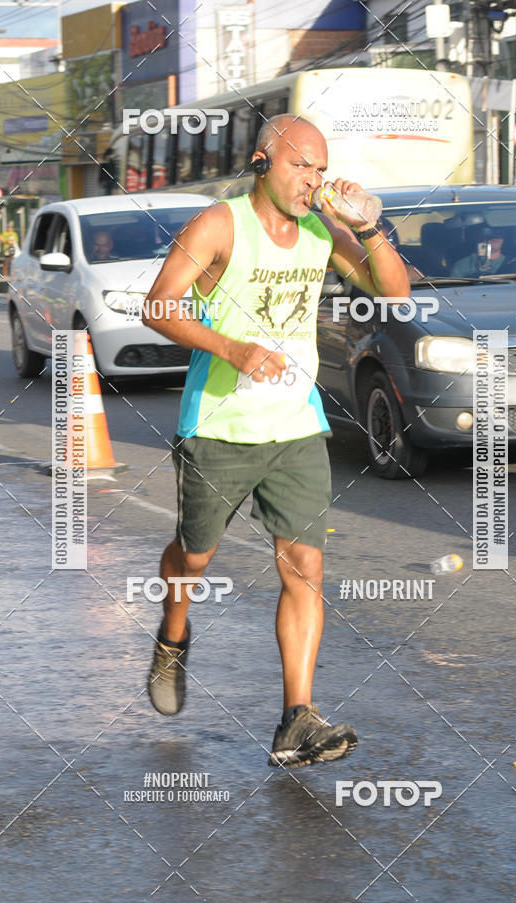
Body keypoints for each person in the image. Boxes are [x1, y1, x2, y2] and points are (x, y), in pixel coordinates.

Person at [142, 114, 410, 768]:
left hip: (295, 425)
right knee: (195, 560)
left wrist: (368, 224)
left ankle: (296, 718)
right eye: (300, 166)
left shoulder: (323, 228)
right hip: (219, 426)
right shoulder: (219, 224)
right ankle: (174, 633)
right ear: (264, 161)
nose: (312, 180)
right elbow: (159, 304)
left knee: (305, 568)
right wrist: (234, 346)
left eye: (320, 169)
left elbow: (396, 292)